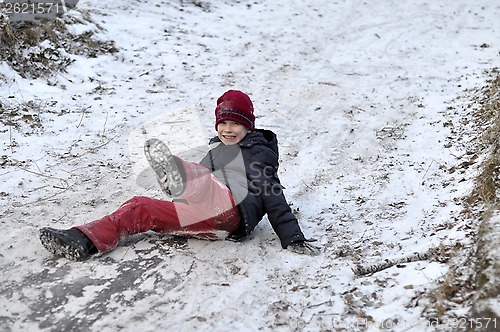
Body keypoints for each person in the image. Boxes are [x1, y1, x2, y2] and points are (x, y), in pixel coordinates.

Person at [39, 90, 320, 261]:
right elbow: (199, 180)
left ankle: (175, 171)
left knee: (204, 181)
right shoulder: (217, 151)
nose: (229, 129)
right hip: (206, 218)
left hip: (233, 212)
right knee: (140, 206)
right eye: (224, 122)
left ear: (249, 127)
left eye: (236, 123)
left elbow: (272, 194)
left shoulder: (257, 153)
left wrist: (292, 237)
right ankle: (84, 240)